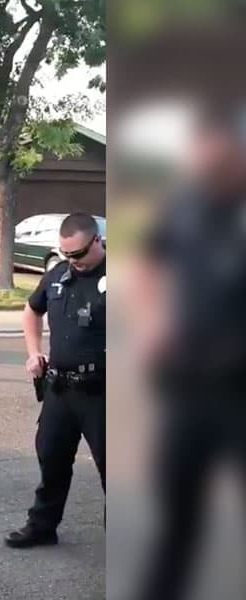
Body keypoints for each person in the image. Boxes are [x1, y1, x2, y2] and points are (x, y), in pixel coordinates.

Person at [132, 106, 246, 600]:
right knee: (177, 518)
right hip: (188, 390)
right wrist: (152, 323)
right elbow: (148, 267)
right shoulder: (183, 207)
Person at [5, 212, 106, 549]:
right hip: (60, 389)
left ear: (97, 241)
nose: (72, 261)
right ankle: (42, 526)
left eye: (78, 254)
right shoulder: (58, 275)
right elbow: (32, 310)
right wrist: (34, 352)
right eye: (66, 254)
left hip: (104, 392)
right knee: (51, 458)